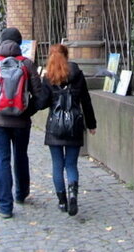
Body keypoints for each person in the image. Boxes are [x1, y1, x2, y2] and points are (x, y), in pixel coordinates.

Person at [0, 27, 44, 219]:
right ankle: (21, 194)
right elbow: (39, 95)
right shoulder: (27, 64)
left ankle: (5, 206)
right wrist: (28, 111)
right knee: (21, 156)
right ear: (19, 44)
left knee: (2, 159)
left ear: (0, 41)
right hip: (21, 121)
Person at [41, 44, 96, 216]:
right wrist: (91, 124)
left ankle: (62, 201)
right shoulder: (78, 75)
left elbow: (42, 103)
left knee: (57, 164)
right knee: (71, 164)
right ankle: (73, 196)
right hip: (74, 125)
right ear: (67, 55)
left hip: (55, 127)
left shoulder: (48, 77)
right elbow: (86, 101)